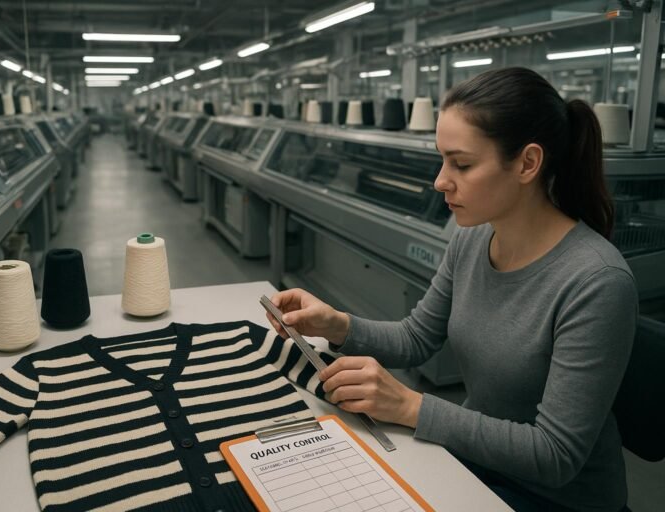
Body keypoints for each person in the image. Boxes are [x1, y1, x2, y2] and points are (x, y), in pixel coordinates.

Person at [267, 67, 637, 512]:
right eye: (442, 160)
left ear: (527, 163)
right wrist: (336, 324)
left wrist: (411, 407)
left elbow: (554, 455)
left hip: (556, 499)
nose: (440, 180)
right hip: (477, 464)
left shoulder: (596, 281)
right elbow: (416, 338)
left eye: (461, 164)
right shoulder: (473, 239)